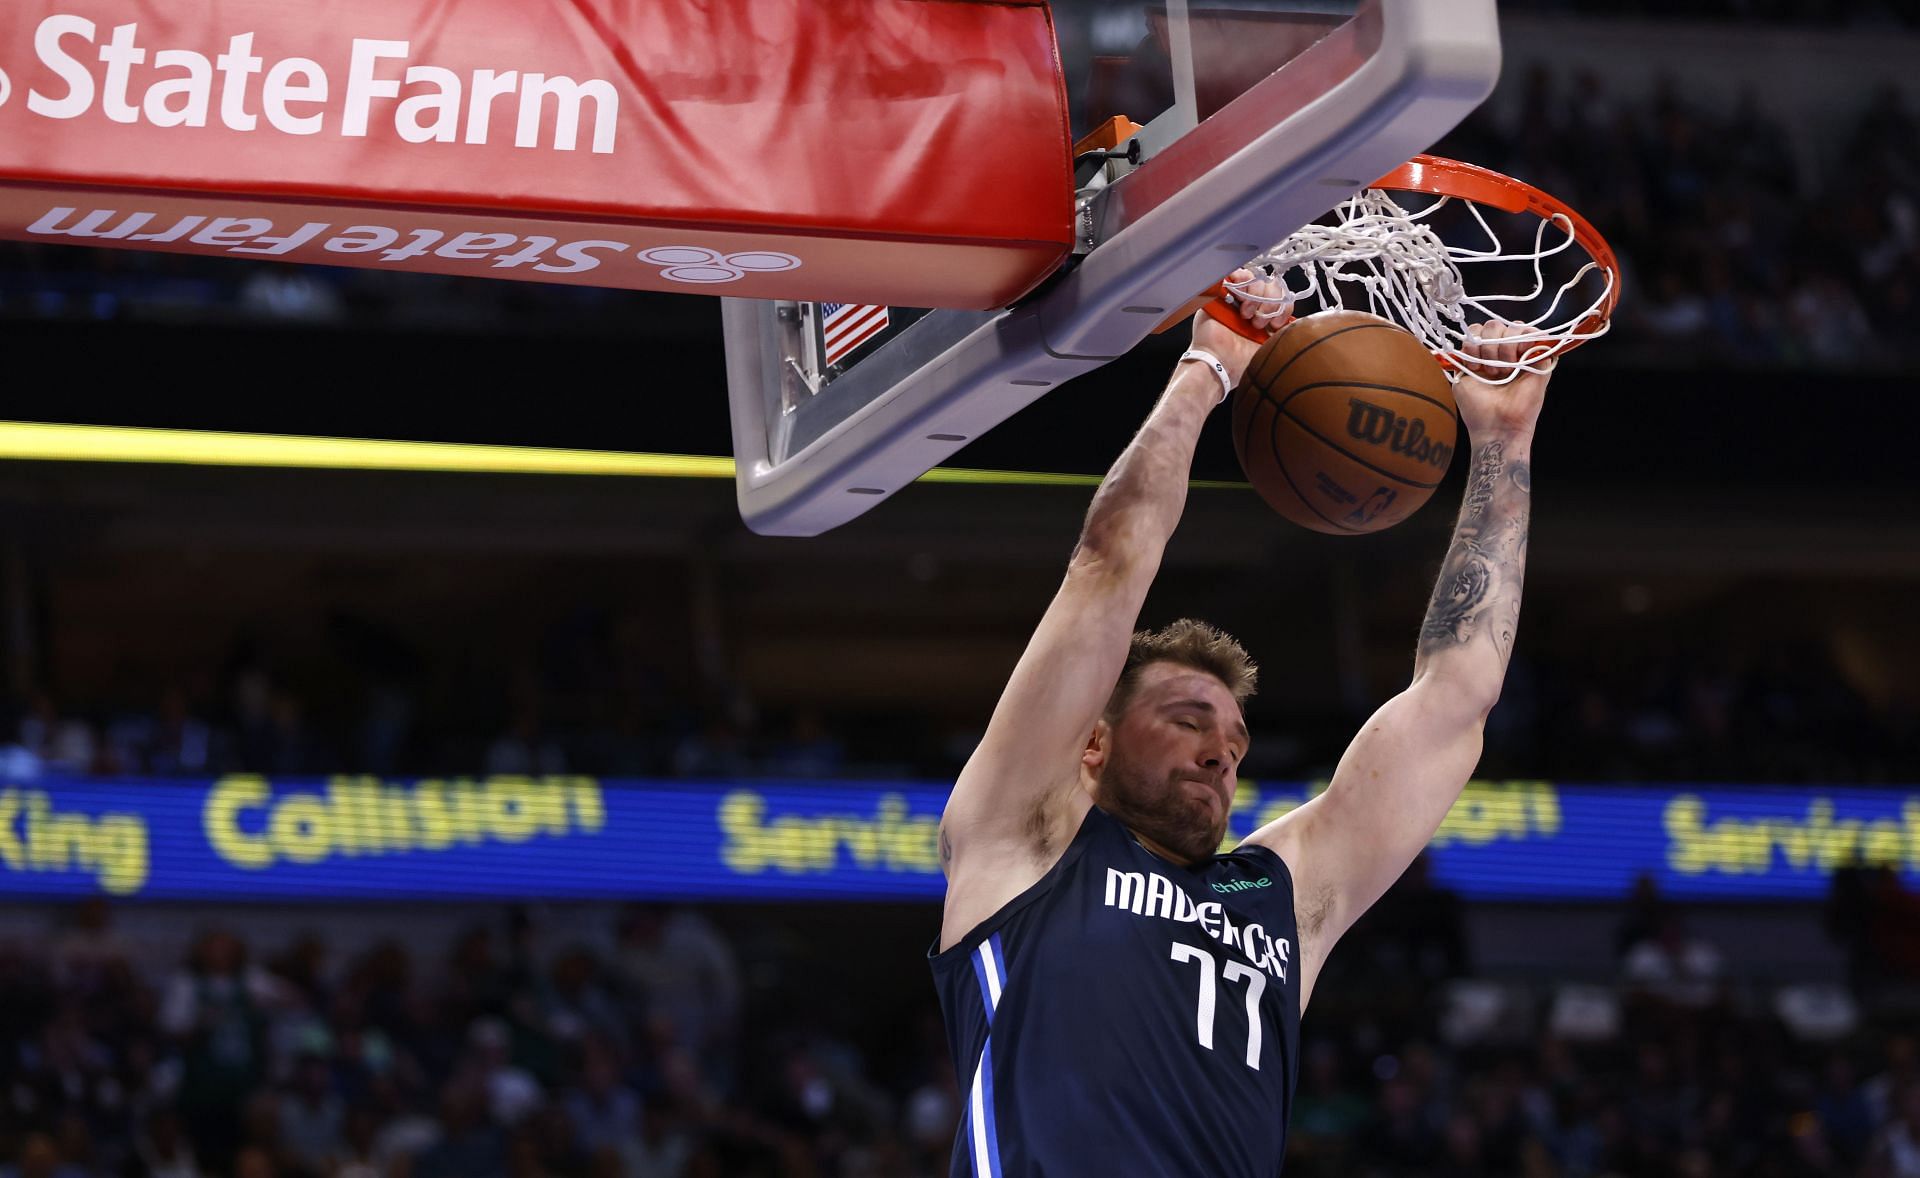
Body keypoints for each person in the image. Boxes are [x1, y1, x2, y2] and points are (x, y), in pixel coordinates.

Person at [930, 270, 1553, 1176]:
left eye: (1232, 737)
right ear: (1093, 744)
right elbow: (1107, 565)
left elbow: (1457, 700)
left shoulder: (1278, 898)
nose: (1220, 749)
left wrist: (1503, 443)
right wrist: (1209, 365)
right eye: (1187, 718)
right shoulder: (1027, 840)